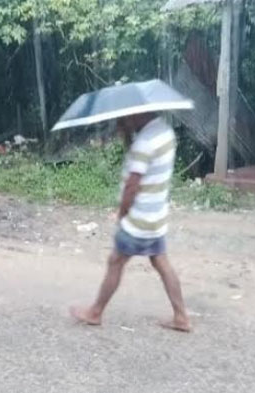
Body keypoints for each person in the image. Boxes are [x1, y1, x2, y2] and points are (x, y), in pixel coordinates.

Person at [70, 112, 191, 332]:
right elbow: (146, 167)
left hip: (139, 218)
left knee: (116, 260)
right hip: (156, 215)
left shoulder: (144, 144)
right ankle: (181, 316)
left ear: (140, 114)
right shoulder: (164, 132)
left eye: (128, 117)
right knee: (161, 262)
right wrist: (128, 136)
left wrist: (122, 213)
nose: (126, 120)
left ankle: (95, 312)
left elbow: (132, 186)